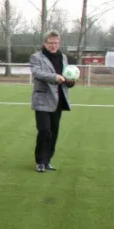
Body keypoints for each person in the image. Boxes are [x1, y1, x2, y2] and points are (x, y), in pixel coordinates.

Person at [30, 30, 74, 173]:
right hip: (42, 100)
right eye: (50, 43)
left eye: (56, 43)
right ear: (45, 43)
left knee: (54, 132)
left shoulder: (63, 57)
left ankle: (47, 160)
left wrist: (70, 81)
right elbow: (37, 73)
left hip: (59, 99)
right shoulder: (36, 57)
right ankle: (40, 161)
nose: (54, 45)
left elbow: (66, 75)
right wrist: (55, 77)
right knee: (44, 131)